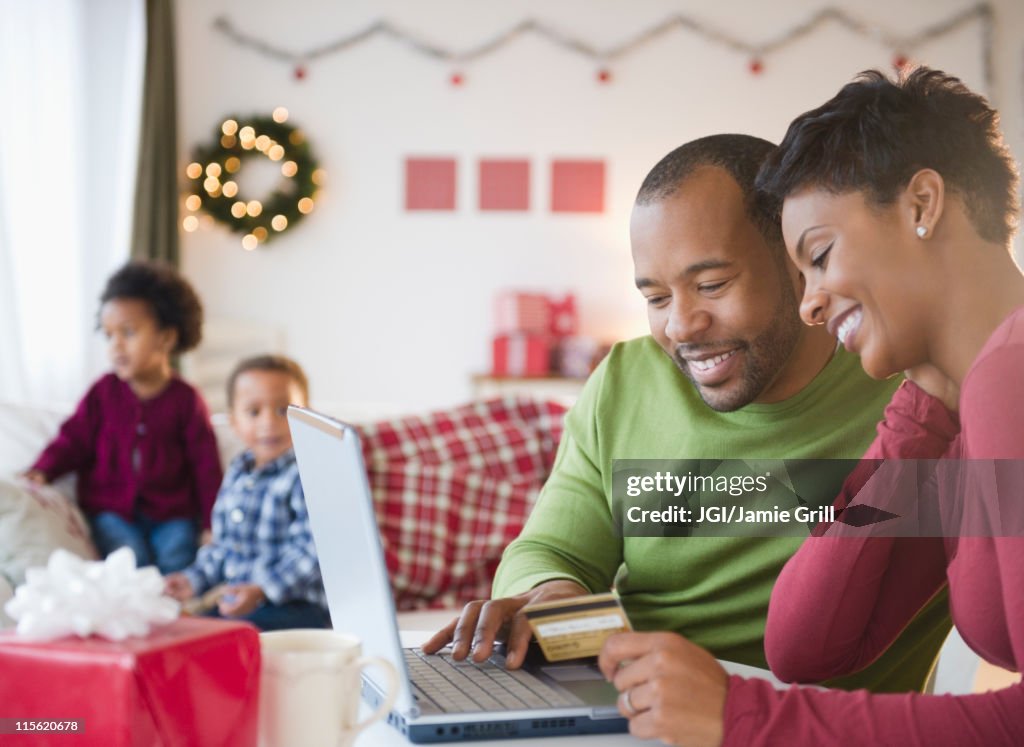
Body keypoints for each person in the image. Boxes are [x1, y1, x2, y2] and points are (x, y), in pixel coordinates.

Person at [424, 134, 950, 697]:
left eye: (711, 285)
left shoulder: (917, 401)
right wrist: (554, 595)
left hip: (803, 724)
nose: (680, 326)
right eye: (655, 298)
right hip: (627, 710)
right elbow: (552, 549)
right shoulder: (626, 379)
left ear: (798, 262)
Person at [598, 68, 1024, 745]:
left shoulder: (1011, 374)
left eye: (820, 256)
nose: (810, 303)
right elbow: (806, 643)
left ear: (921, 203)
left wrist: (745, 718)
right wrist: (919, 414)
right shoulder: (963, 403)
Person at [23, 261, 221, 574]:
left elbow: (206, 468)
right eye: (109, 334)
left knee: (178, 558)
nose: (116, 345)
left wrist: (212, 524)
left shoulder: (186, 400)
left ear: (166, 339)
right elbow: (72, 439)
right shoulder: (102, 393)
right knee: (129, 561)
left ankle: (179, 617)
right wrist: (43, 469)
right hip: (111, 511)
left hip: (173, 514)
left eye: (128, 333)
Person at [165, 354, 329, 631]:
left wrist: (261, 589)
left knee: (223, 632)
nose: (269, 422)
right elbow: (223, 547)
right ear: (234, 422)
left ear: (308, 415)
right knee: (192, 628)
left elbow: (313, 553)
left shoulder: (306, 475)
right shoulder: (237, 473)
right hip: (241, 602)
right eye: (254, 412)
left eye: (283, 410)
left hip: (296, 605)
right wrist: (193, 579)